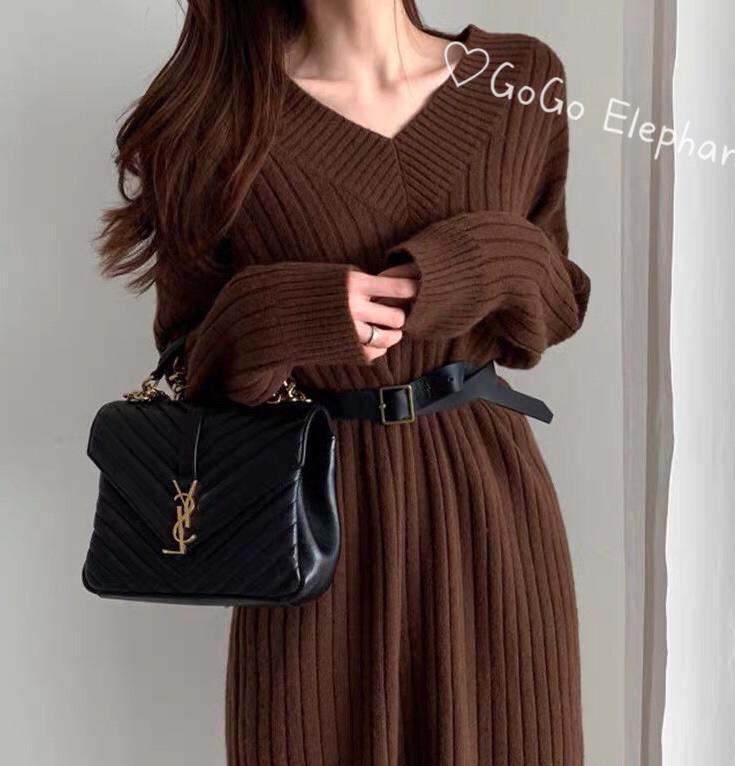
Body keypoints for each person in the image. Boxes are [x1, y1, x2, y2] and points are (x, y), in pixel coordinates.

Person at [96, 1, 591, 763]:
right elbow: (189, 371)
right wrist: (292, 309)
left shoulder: (521, 77)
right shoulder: (214, 115)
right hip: (310, 523)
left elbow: (555, 309)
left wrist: (478, 258)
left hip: (488, 500)